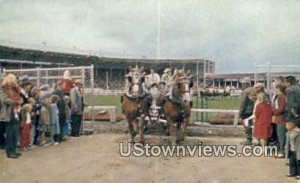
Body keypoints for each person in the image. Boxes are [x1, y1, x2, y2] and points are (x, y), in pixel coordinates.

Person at [0, 74, 22, 158]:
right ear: (8, 80)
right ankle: (10, 152)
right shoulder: (3, 88)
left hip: (16, 111)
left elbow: (19, 96)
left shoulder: (15, 88)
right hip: (8, 113)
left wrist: (17, 88)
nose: (15, 81)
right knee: (10, 134)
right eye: (13, 79)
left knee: (15, 133)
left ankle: (14, 150)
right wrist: (15, 102)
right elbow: (4, 100)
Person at [272, 84, 287, 158]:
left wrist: (272, 110)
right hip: (280, 119)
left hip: (281, 119)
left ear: (280, 90)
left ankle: (282, 152)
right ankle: (281, 150)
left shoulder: (281, 97)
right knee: (280, 135)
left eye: (276, 90)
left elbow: (280, 109)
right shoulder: (280, 97)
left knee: (281, 136)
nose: (275, 91)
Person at [239, 77, 255, 145]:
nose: (242, 85)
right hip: (254, 110)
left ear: (246, 84)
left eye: (243, 84)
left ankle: (249, 140)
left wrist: (240, 113)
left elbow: (243, 103)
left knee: (247, 125)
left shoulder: (245, 91)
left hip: (247, 111)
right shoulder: (254, 90)